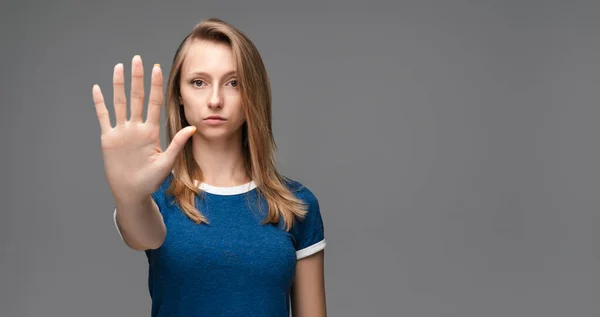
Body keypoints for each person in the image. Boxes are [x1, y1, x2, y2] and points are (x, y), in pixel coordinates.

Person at [92, 17, 327, 316]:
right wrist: (130, 196)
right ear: (179, 93)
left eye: (233, 83)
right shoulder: (155, 197)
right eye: (198, 82)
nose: (215, 100)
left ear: (252, 93)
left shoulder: (297, 205)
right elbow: (140, 234)